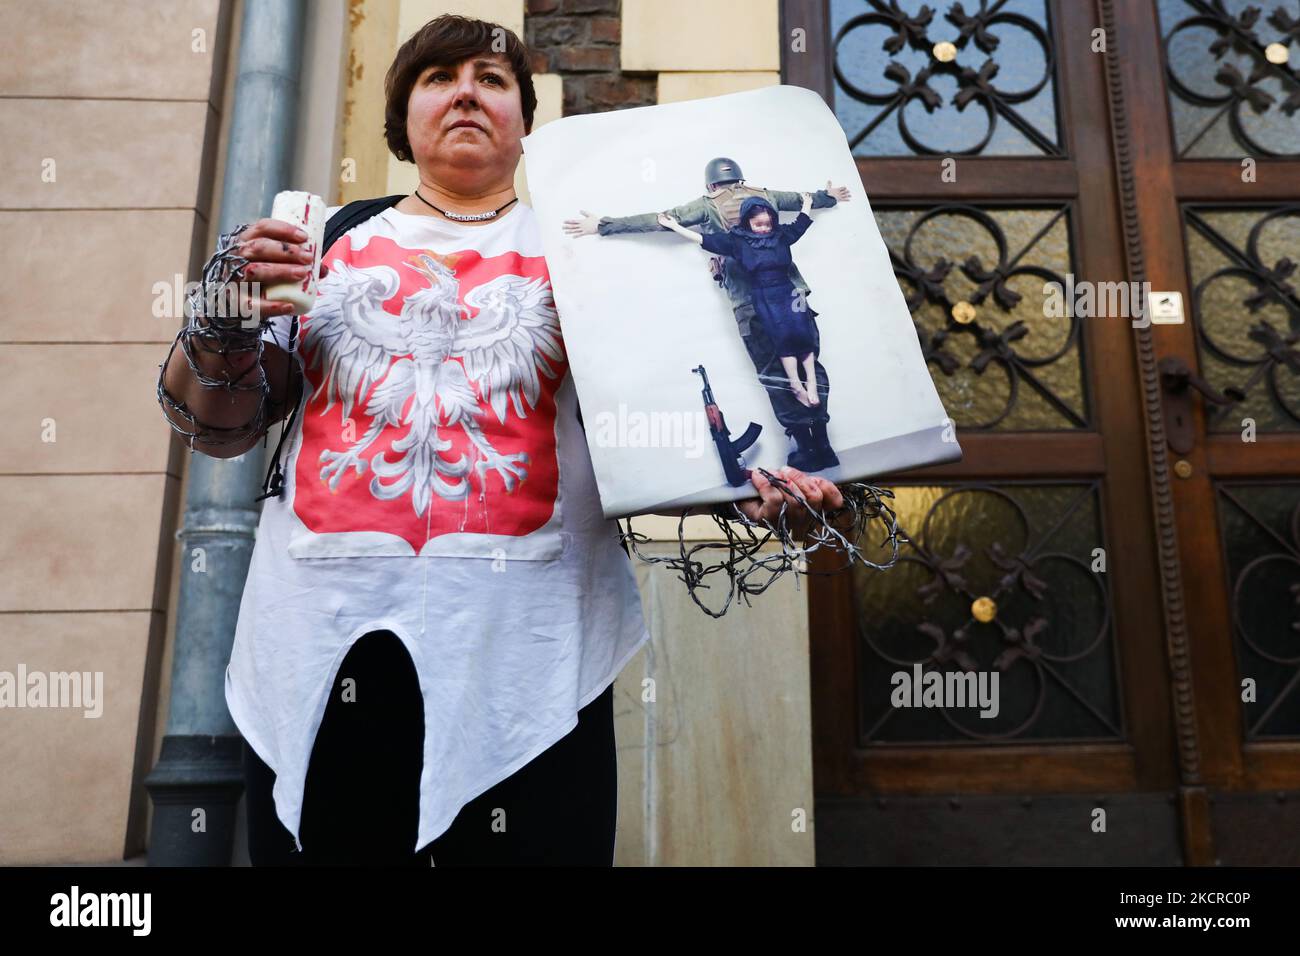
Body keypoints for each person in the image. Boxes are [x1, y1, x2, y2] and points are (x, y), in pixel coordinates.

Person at [157, 14, 842, 867]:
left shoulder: (582, 256)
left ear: (525, 119)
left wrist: (752, 489)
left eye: (491, 78)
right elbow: (218, 431)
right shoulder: (322, 239)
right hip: (322, 641)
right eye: (439, 78)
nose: (467, 93)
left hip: (531, 649)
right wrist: (222, 316)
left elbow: (649, 430)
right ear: (403, 114)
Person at [564, 158, 851, 472]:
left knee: (775, 372)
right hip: (795, 298)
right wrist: (829, 195)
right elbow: (802, 200)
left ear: (711, 185)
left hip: (752, 305)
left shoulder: (705, 205)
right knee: (810, 362)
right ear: (742, 180)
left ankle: (807, 447)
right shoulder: (766, 196)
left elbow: (660, 220)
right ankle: (823, 443)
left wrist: (603, 225)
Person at [660, 194, 829, 425]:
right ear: (747, 221)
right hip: (764, 296)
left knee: (803, 334)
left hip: (789, 292)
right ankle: (795, 384)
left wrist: (808, 203)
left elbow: (801, 224)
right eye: (758, 224)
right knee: (784, 339)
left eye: (768, 223)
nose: (763, 228)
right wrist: (673, 225)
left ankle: (811, 383)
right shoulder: (736, 241)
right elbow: (702, 239)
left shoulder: (780, 236)